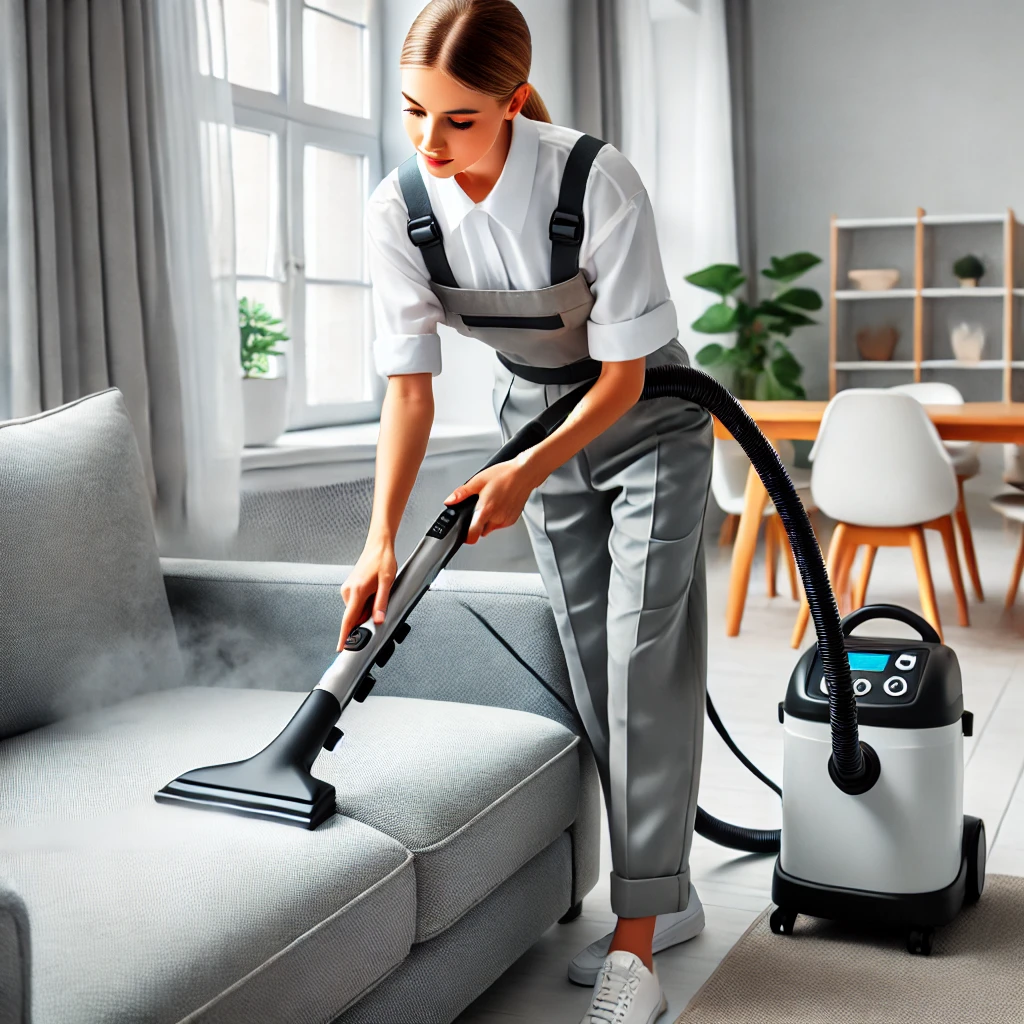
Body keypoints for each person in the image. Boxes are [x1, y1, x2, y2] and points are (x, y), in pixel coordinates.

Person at [336, 1, 713, 1020]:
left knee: (641, 655)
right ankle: (664, 888)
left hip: (646, 422)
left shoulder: (594, 180)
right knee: (590, 660)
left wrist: (519, 473)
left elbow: (626, 379)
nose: (430, 140)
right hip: (529, 424)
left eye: (459, 119)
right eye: (415, 111)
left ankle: (636, 937)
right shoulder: (400, 209)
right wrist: (376, 541)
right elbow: (408, 389)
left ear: (510, 102)